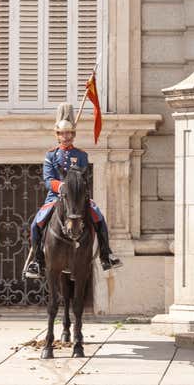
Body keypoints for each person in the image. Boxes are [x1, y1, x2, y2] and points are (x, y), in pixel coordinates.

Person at [23, 103, 122, 279]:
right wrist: (60, 186)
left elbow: (84, 178)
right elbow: (47, 179)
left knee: (99, 217)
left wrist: (76, 188)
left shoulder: (81, 155)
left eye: (69, 133)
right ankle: (37, 261)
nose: (66, 136)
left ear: (73, 134)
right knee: (35, 224)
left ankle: (106, 255)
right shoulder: (51, 155)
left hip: (77, 198)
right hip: (56, 196)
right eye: (62, 134)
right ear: (57, 135)